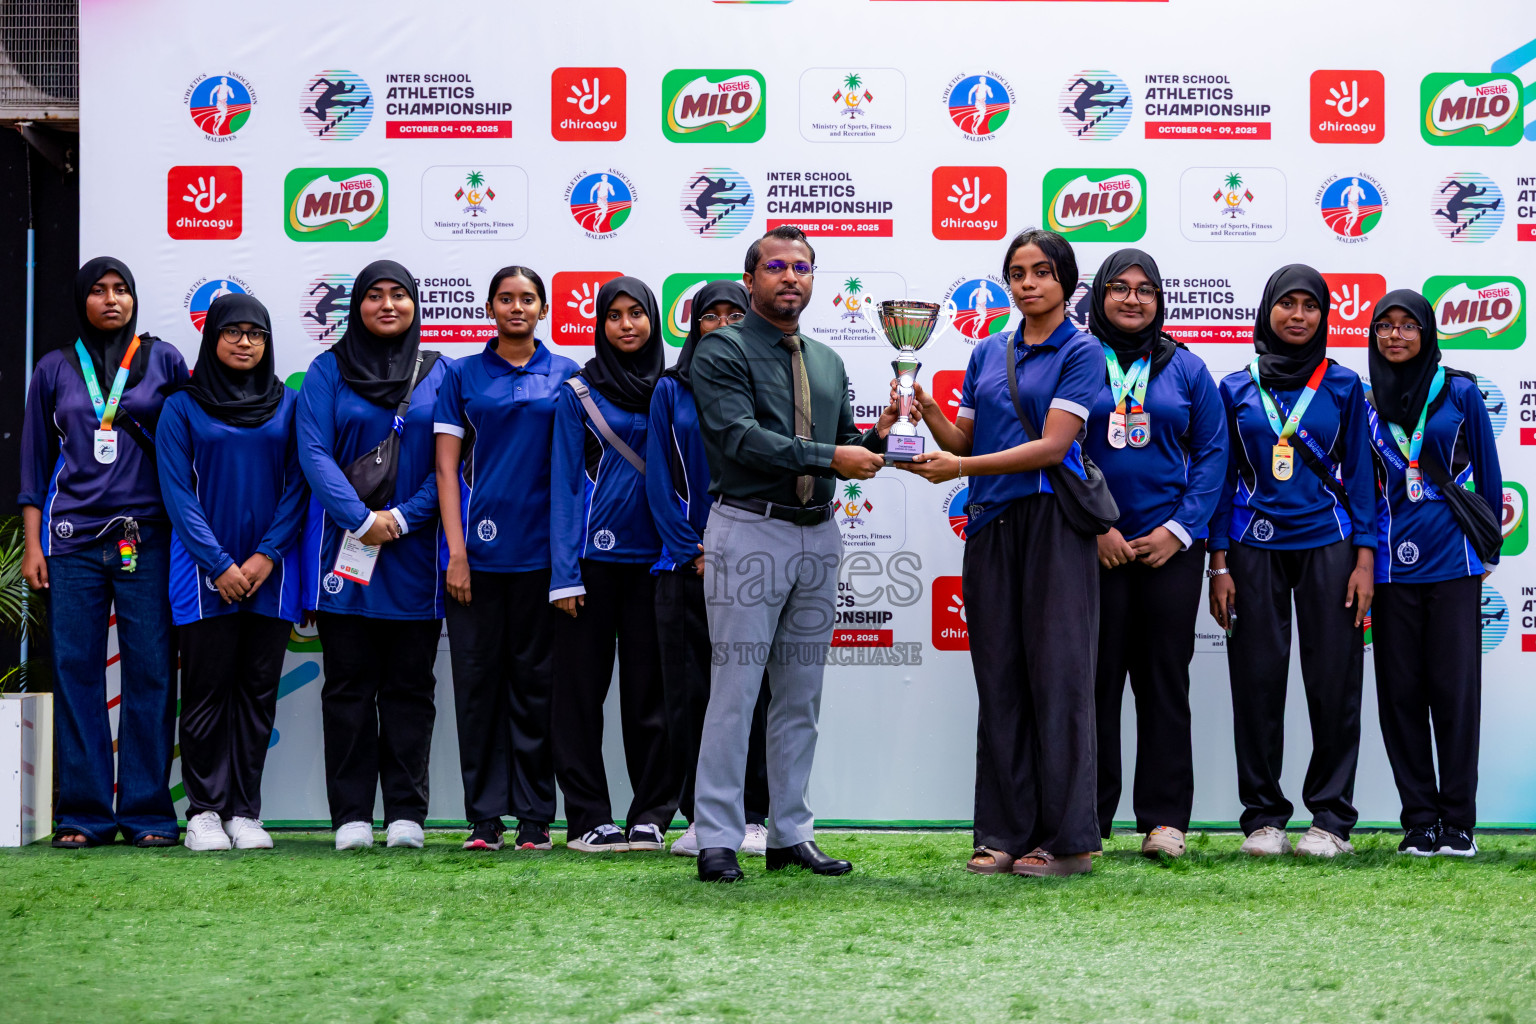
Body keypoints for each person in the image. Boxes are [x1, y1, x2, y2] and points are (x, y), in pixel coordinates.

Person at [689, 225, 897, 883]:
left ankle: (790, 834)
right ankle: (716, 837)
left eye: (801, 267)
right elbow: (739, 438)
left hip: (818, 533)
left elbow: (848, 444)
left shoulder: (828, 361)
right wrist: (834, 455)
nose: (790, 277)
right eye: (775, 266)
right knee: (735, 692)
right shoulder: (722, 349)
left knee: (800, 695)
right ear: (750, 279)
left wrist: (884, 433)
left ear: (812, 280)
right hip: (749, 528)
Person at [902, 228, 1104, 878]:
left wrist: (961, 467)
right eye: (1017, 273)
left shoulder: (1082, 350)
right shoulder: (989, 351)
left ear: (1065, 281)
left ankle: (1068, 843)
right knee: (1000, 679)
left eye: (1041, 271)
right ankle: (1002, 832)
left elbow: (1053, 446)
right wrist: (927, 408)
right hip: (990, 523)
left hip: (1053, 523)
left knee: (1059, 680)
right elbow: (965, 437)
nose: (1028, 283)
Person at [1208, 265, 1376, 859]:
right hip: (1252, 546)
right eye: (1287, 304)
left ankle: (1331, 820)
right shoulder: (1235, 387)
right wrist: (1218, 563)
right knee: (1256, 682)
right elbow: (1222, 477)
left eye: (1310, 305)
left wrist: (1365, 558)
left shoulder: (1344, 385)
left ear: (1324, 315)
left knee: (1335, 682)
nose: (1298, 315)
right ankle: (1263, 819)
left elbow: (1361, 476)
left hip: (1331, 545)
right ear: (1267, 311)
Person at [20, 257, 188, 848]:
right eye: (98, 290)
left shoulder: (164, 360)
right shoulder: (53, 368)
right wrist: (33, 543)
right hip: (71, 540)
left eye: (121, 290)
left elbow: (188, 442)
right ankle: (85, 814)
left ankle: (147, 813)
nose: (111, 299)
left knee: (151, 672)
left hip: (146, 536)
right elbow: (34, 462)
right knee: (76, 672)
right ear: (81, 300)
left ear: (134, 299)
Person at [296, 261, 448, 852]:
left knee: (410, 688)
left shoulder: (439, 372)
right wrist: (362, 519)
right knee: (348, 688)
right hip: (347, 551)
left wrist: (403, 518)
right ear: (356, 305)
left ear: (415, 304)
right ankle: (352, 815)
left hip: (415, 554)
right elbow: (314, 453)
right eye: (375, 295)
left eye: (399, 295)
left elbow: (451, 463)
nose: (388, 305)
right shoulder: (327, 370)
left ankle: (407, 813)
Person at [1080, 249, 1227, 859]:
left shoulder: (1187, 368)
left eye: (1145, 289)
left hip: (1170, 552)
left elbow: (1213, 454)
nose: (1133, 299)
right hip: (1092, 548)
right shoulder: (1076, 358)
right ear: (1098, 296)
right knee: (1092, 684)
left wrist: (1180, 530)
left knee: (1165, 682)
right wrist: (1094, 527)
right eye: (1119, 287)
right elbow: (1057, 447)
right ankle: (1085, 819)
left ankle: (1164, 820)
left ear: (1160, 300)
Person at [434, 267, 578, 853]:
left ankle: (536, 818)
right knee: (477, 689)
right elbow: (446, 469)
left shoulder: (567, 374)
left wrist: (567, 565)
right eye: (506, 298)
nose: (516, 307)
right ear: (490, 307)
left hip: (543, 562)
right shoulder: (462, 374)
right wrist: (457, 553)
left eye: (527, 299)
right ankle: (484, 819)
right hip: (477, 562)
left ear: (543, 308)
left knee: (537, 688)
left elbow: (577, 473)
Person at [157, 294, 307, 852]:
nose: (245, 342)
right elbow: (178, 494)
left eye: (256, 333)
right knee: (205, 694)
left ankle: (245, 812)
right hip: (203, 576)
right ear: (212, 337)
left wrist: (266, 555)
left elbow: (300, 484)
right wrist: (219, 564)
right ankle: (204, 812)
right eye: (233, 332)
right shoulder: (181, 407)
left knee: (257, 695)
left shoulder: (289, 404)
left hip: (273, 572)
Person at [1364, 290, 1500, 858]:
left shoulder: (1460, 392)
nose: (1395, 335)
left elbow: (1489, 477)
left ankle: (1458, 822)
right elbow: (1361, 487)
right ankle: (1419, 821)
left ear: (1426, 333)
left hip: (1454, 563)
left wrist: (1486, 553)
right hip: (1391, 570)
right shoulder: (1366, 401)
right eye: (1385, 325)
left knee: (1455, 694)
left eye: (1407, 325)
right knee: (1400, 697)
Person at [645, 280, 773, 859]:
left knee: (754, 692)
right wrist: (693, 549)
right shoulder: (671, 389)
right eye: (710, 316)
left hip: (751, 562)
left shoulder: (765, 382)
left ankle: (753, 815)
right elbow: (658, 479)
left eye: (733, 314)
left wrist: (734, 550)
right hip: (686, 565)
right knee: (690, 696)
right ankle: (701, 816)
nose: (721, 324)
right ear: (693, 326)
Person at [548, 277, 674, 854]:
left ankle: (651, 815)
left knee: (652, 698)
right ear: (599, 325)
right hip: (591, 566)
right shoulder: (577, 392)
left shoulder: (674, 389)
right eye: (614, 315)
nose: (626, 325)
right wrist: (564, 574)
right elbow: (565, 486)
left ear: (653, 320)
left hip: (658, 565)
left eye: (636, 314)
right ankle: (587, 818)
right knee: (578, 697)